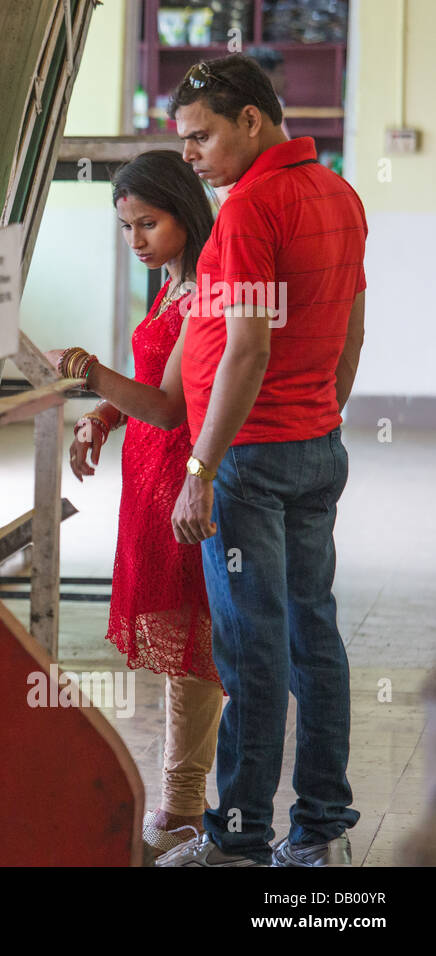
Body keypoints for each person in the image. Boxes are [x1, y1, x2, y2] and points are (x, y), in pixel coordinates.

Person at [150, 54, 368, 867]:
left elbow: (246, 347)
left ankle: (236, 837)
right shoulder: (339, 193)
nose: (192, 157)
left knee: (251, 645)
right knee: (315, 634)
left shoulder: (250, 210)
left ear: (252, 120)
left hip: (247, 458)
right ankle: (317, 829)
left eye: (202, 137)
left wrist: (202, 468)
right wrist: (326, 412)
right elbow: (351, 327)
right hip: (315, 447)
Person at [45, 150, 222, 864]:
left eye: (148, 223)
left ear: (186, 211)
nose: (136, 240)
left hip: (183, 476)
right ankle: (183, 804)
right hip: (149, 480)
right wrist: (100, 419)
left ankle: (183, 808)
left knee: (194, 647)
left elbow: (167, 401)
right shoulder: (171, 285)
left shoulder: (206, 287)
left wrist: (88, 373)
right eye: (126, 228)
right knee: (183, 644)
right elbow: (145, 386)